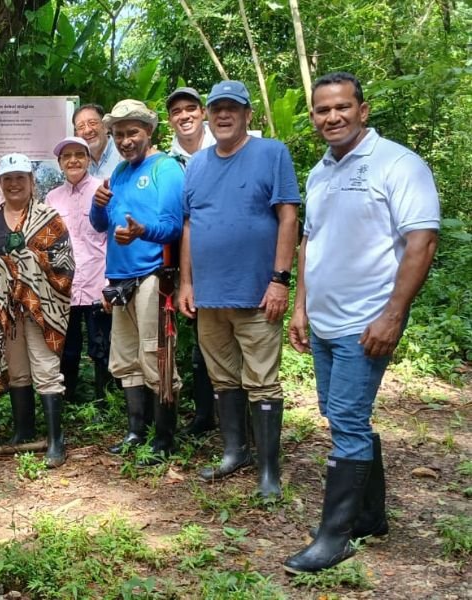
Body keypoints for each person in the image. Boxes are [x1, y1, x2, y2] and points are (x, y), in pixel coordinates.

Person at [283, 72, 440, 574]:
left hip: (366, 323)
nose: (332, 117)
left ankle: (335, 537)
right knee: (341, 415)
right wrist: (301, 307)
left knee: (347, 424)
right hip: (326, 321)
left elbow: (423, 242)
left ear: (362, 110)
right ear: (313, 117)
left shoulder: (398, 164)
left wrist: (393, 314)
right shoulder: (321, 172)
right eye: (322, 110)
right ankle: (370, 515)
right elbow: (312, 242)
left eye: (341, 108)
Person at [179, 81, 300, 500]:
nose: (224, 115)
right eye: (217, 109)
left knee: (263, 382)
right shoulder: (196, 165)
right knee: (222, 378)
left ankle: (269, 470)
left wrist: (280, 279)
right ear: (209, 116)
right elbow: (191, 225)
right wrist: (187, 282)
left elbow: (288, 217)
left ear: (248, 114)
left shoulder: (271, 153)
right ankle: (235, 453)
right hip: (209, 296)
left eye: (233, 108)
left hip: (256, 293)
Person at [0, 153, 74, 468]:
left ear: (31, 181)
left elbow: (64, 262)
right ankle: (23, 431)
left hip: (41, 309)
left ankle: (56, 440)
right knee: (17, 371)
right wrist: (2, 269)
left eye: (20, 178)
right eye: (8, 179)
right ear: (0, 183)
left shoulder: (48, 218)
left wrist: (26, 266)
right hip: (3, 312)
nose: (14, 184)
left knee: (45, 369)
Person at [90, 100, 183, 464]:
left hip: (152, 277)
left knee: (156, 357)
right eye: (119, 134)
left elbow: (174, 225)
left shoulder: (166, 169)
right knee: (126, 359)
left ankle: (164, 440)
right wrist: (98, 204)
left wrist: (144, 231)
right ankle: (135, 431)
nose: (126, 141)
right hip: (119, 279)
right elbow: (101, 226)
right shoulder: (118, 175)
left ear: (149, 132)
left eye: (133, 133)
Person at [164, 86, 218, 439]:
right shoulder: (167, 162)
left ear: (203, 113)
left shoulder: (226, 147)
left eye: (190, 109)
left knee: (236, 340)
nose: (184, 115)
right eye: (177, 111)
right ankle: (204, 415)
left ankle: (243, 416)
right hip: (185, 260)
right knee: (201, 343)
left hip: (225, 257)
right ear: (170, 121)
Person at [46, 136, 111, 406]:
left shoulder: (103, 190)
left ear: (87, 159)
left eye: (79, 155)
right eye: (66, 156)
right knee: (68, 349)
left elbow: (111, 238)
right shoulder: (51, 198)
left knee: (102, 348)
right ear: (60, 163)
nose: (73, 160)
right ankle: (68, 400)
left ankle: (105, 400)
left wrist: (111, 282)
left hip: (98, 284)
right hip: (65, 287)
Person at [73, 104, 121, 179]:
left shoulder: (122, 152)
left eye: (92, 123)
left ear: (105, 127)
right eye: (81, 127)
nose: (87, 130)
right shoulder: (78, 162)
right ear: (76, 135)